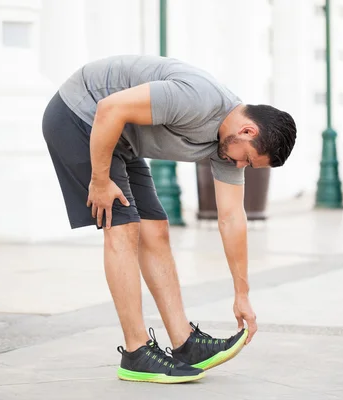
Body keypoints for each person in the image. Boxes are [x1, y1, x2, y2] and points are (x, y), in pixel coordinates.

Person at [42, 54, 297, 383]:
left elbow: (232, 218)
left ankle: (185, 343)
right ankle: (135, 352)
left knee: (156, 229)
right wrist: (101, 181)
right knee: (123, 226)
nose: (239, 167)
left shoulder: (227, 144)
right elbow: (110, 108)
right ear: (247, 130)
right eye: (246, 159)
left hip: (120, 137)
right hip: (79, 116)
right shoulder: (198, 99)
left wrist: (242, 293)